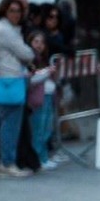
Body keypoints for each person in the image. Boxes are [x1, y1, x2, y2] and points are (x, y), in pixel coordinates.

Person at [0, 0, 37, 178]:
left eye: (19, 11)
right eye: (12, 10)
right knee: (10, 124)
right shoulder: (6, 30)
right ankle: (7, 162)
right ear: (4, 10)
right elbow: (26, 53)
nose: (16, 14)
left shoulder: (7, 28)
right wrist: (28, 54)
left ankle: (5, 161)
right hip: (10, 79)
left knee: (6, 122)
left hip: (7, 78)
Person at [25, 30, 59, 170]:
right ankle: (38, 159)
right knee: (38, 129)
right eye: (36, 42)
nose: (39, 45)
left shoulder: (43, 59)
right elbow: (31, 80)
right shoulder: (30, 60)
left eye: (42, 42)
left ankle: (43, 157)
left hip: (49, 96)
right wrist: (46, 73)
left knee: (47, 128)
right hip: (38, 98)